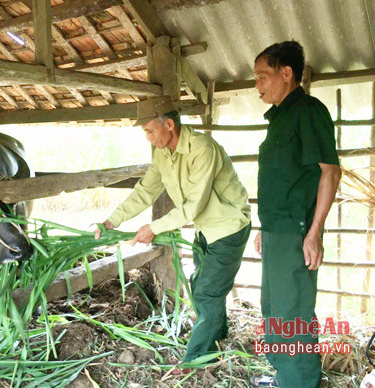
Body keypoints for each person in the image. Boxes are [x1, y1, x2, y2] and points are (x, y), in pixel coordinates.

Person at [94, 96, 251, 370]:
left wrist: (152, 228)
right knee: (201, 282)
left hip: (227, 227)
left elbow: (193, 206)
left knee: (206, 292)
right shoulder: (162, 153)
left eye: (150, 130)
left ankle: (197, 360)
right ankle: (218, 334)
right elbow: (146, 190)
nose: (148, 138)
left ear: (169, 125)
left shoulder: (203, 149)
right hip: (206, 228)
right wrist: (111, 221)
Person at [251, 41, 341, 388]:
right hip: (277, 230)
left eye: (262, 76)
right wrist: (265, 226)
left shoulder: (308, 111)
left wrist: (315, 232)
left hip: (297, 232)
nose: (257, 85)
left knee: (293, 314)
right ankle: (284, 376)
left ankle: (300, 382)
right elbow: (282, 179)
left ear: (286, 73)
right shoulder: (279, 118)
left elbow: (330, 173)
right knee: (272, 309)